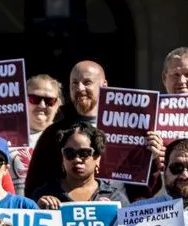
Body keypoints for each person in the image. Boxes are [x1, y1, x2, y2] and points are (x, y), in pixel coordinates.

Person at [24, 61, 108, 195]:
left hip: (118, 211)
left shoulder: (126, 129)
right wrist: (43, 201)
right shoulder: (53, 134)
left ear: (103, 86)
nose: (80, 88)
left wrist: (155, 159)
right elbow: (34, 187)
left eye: (87, 82)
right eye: (74, 83)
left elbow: (142, 188)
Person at [30, 123, 129, 209]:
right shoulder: (43, 195)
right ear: (62, 157)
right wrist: (36, 211)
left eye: (84, 153)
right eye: (69, 153)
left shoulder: (115, 199)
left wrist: (113, 215)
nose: (77, 159)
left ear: (97, 158)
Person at [17, 75, 63, 194]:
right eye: (34, 99)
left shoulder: (66, 137)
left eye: (49, 101)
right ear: (22, 100)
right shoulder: (5, 137)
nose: (42, 105)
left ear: (58, 104)